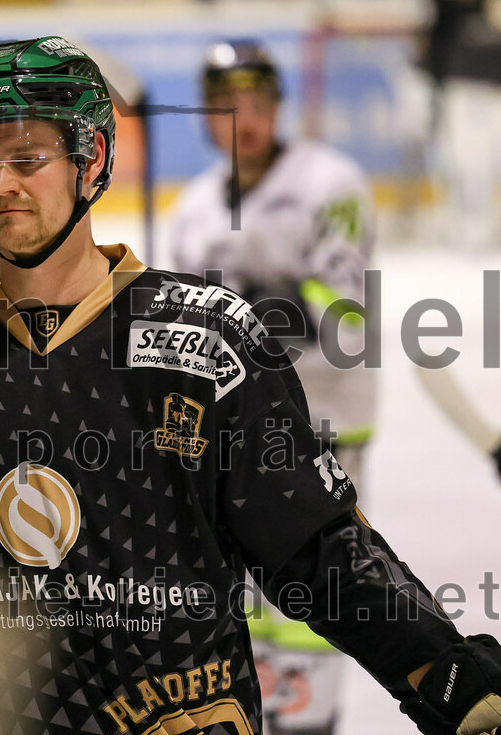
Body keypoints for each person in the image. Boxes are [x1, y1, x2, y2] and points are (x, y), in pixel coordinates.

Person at [0, 36, 501, 735]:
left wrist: (437, 667)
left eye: (28, 159)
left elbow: (317, 547)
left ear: (93, 159)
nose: (1, 182)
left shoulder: (209, 346)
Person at [168, 39, 380, 735]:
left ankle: (310, 721)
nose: (243, 119)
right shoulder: (193, 208)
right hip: (234, 437)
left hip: (322, 422)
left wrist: (250, 316)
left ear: (278, 106)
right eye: (226, 106)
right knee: (244, 600)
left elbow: (345, 314)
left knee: (318, 585)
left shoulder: (331, 183)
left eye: (256, 104)